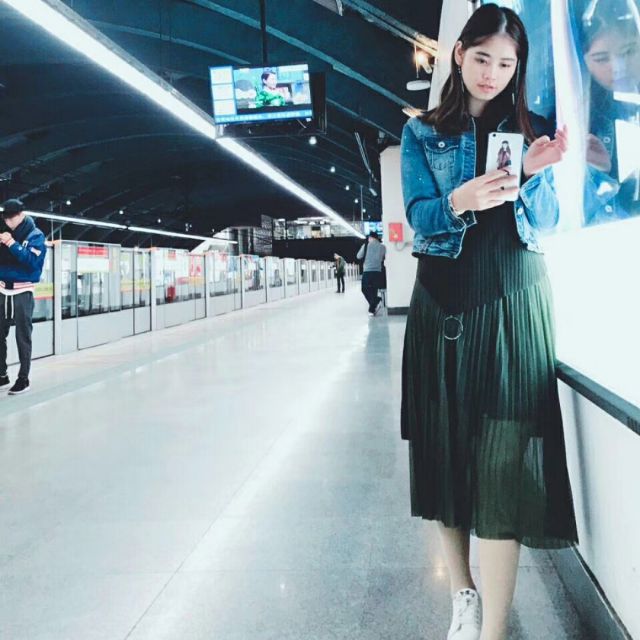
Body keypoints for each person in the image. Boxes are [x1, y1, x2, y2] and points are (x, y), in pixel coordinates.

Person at [400, 5, 578, 640]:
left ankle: (494, 629)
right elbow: (419, 217)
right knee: (443, 450)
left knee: (503, 466)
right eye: (482, 58)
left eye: (506, 63)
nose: (492, 74)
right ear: (458, 55)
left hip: (514, 302)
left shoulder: (534, 130)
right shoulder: (422, 133)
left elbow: (548, 224)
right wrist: (459, 199)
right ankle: (464, 594)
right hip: (441, 303)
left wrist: (531, 174)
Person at [0, 199, 47, 395]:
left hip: (23, 290)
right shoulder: (4, 232)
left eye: (11, 217)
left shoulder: (35, 235)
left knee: (23, 336)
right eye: (5, 217)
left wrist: (11, 244)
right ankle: (2, 374)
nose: (8, 221)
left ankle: (23, 378)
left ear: (21, 215)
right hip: (2, 289)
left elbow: (32, 263)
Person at [356, 231, 386, 315]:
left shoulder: (366, 246)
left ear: (371, 238)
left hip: (367, 271)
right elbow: (383, 258)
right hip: (378, 272)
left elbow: (358, 256)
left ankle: (376, 301)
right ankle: (372, 310)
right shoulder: (383, 247)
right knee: (374, 290)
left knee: (364, 289)